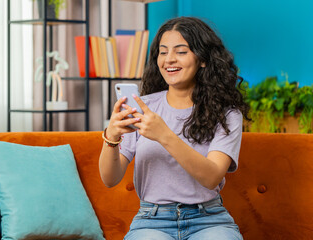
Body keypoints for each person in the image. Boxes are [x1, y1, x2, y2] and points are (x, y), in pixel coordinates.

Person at [99, 16, 250, 240]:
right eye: (163, 52)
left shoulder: (227, 113)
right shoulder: (143, 107)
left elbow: (211, 177)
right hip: (152, 219)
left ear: (203, 59)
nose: (169, 59)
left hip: (208, 219)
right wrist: (111, 138)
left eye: (181, 51)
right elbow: (110, 179)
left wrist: (164, 135)